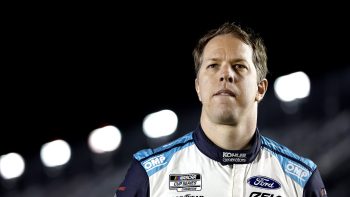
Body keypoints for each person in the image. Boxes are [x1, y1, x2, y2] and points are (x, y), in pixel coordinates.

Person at [115, 22, 327, 197]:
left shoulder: (302, 180)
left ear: (260, 88)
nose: (226, 75)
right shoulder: (148, 174)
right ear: (198, 86)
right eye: (213, 65)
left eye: (239, 66)